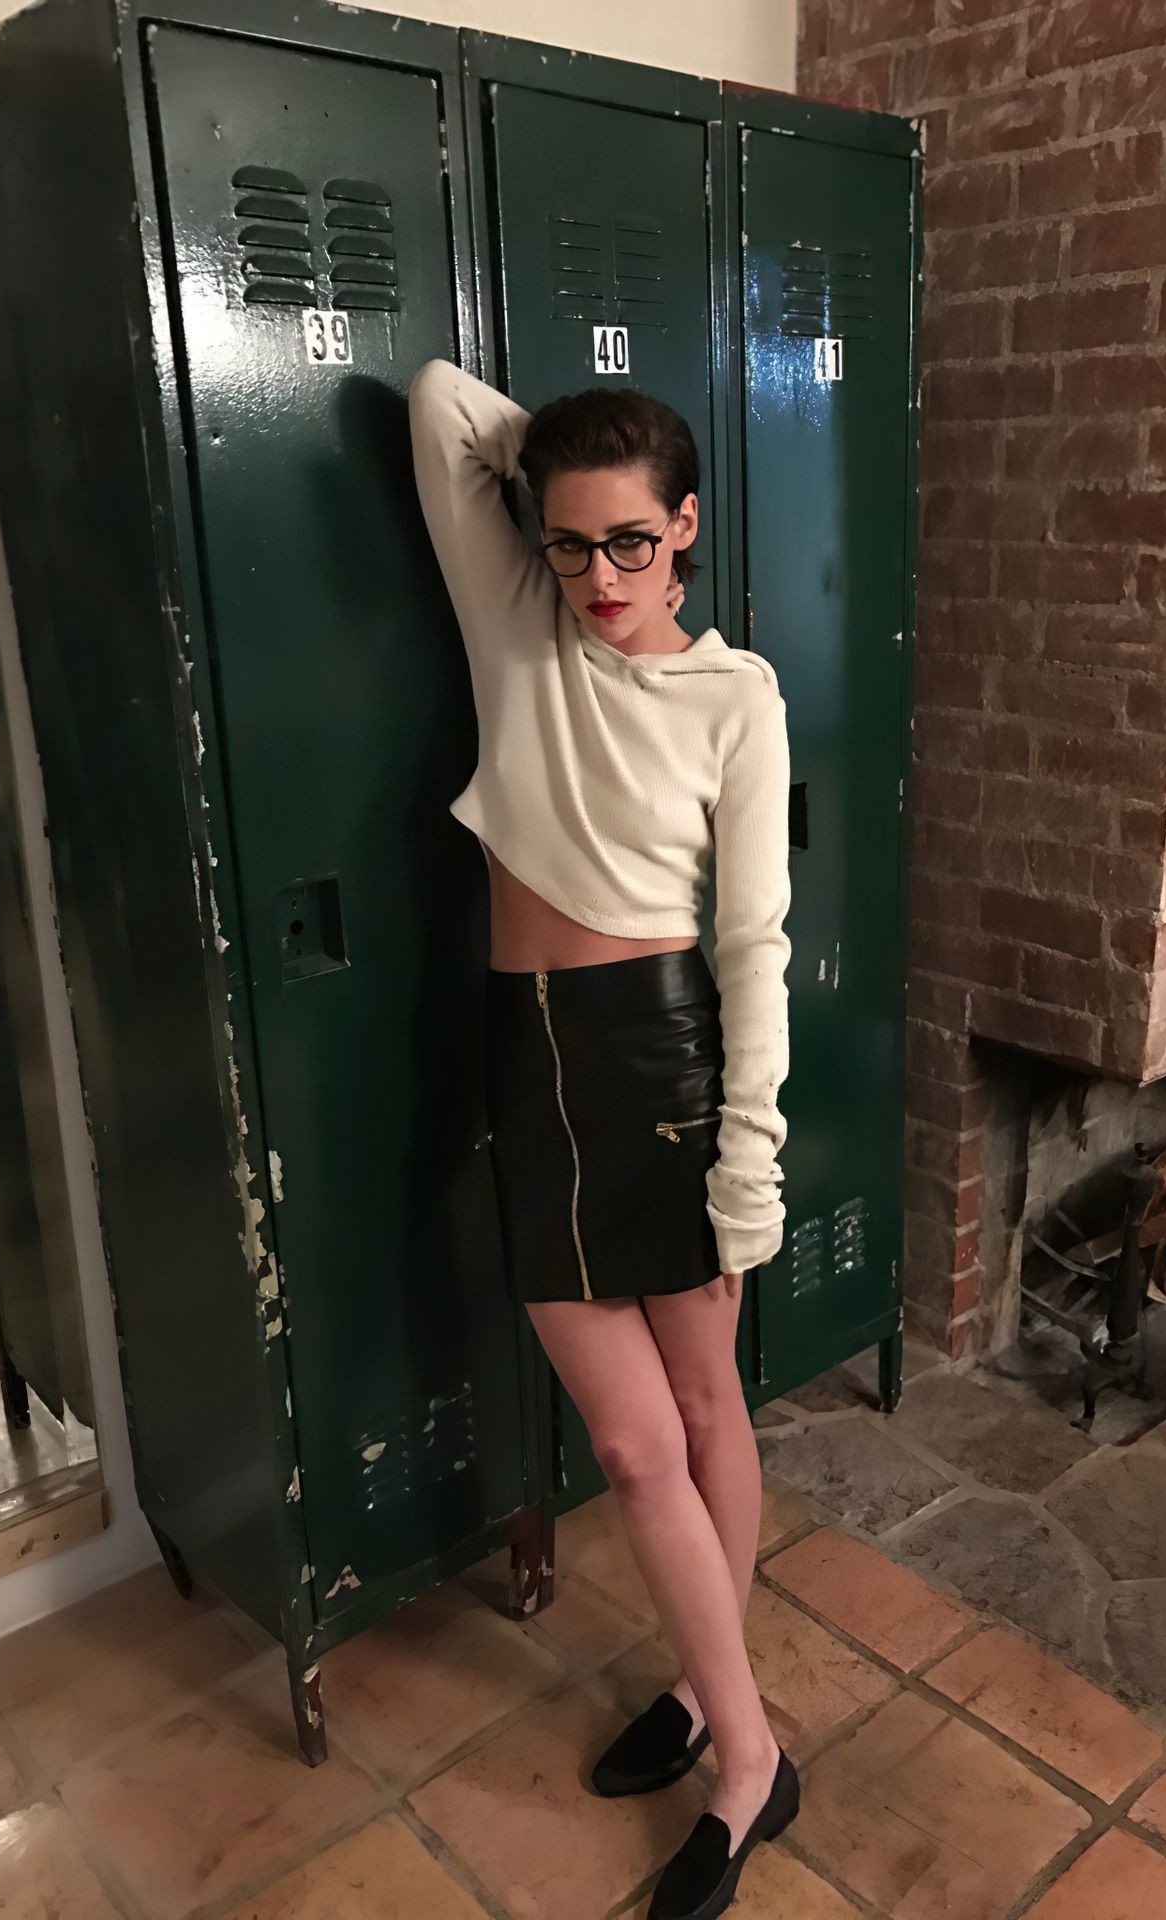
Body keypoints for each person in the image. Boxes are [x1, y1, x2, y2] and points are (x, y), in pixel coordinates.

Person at [408, 356, 798, 1918]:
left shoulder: (736, 695)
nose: (599, 578)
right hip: (531, 1060)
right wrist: (564, 461)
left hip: (662, 1060)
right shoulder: (519, 621)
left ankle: (728, 1729)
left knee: (698, 1413)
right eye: (570, 544)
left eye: (634, 540)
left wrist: (750, 1158)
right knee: (630, 1448)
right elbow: (441, 405)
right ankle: (747, 1732)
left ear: (687, 526)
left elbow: (754, 942)